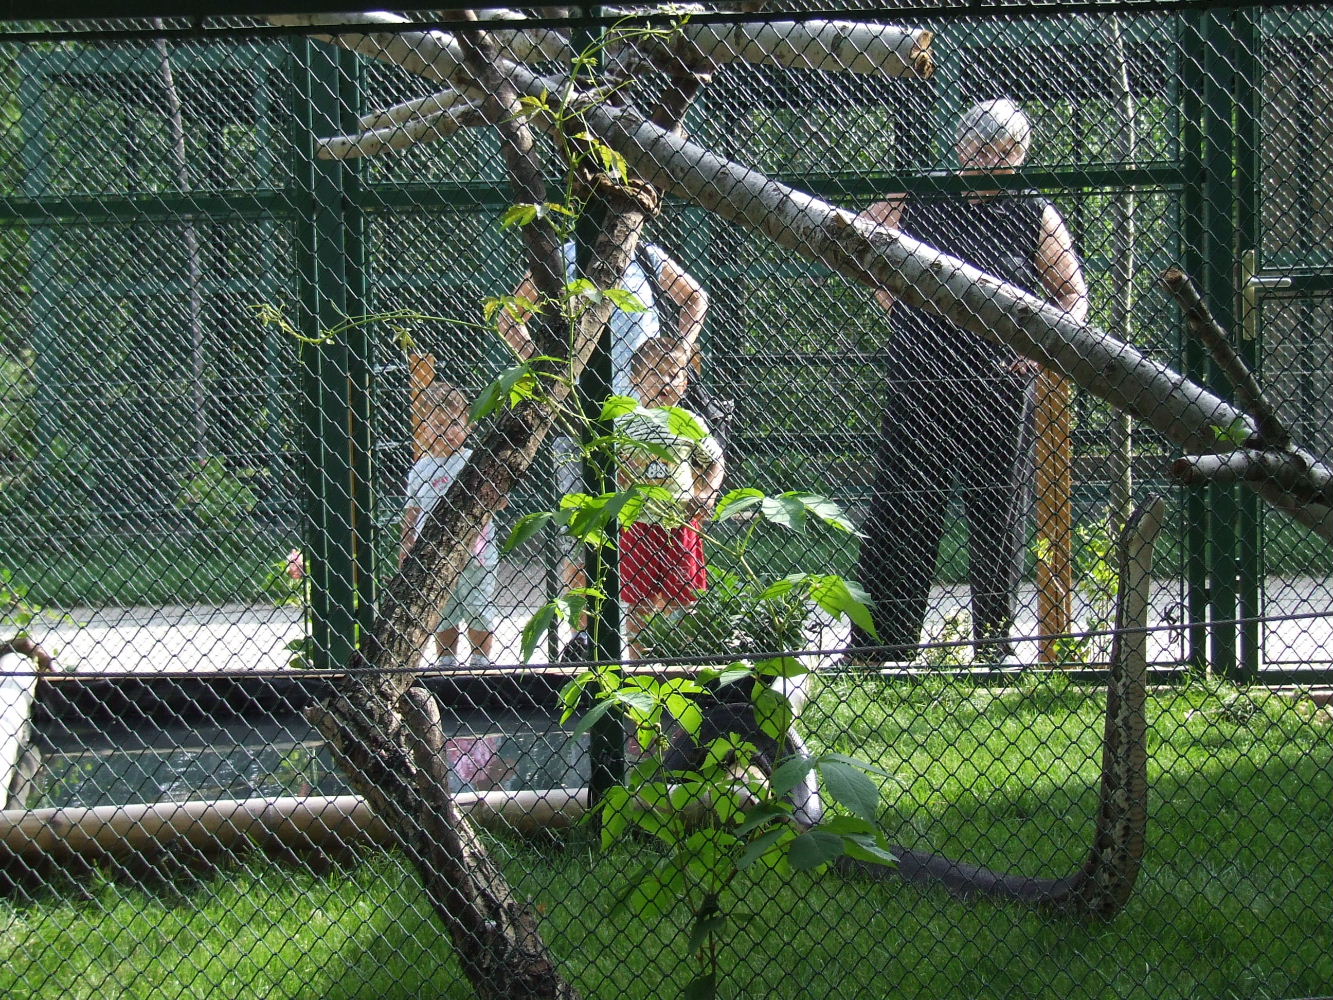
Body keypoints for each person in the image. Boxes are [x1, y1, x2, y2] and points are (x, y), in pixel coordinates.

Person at [850, 98, 1089, 666]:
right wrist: (888, 298)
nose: (991, 161)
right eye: (982, 148)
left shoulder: (1034, 211)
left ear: (1021, 155)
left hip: (1000, 386)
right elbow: (854, 242)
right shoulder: (918, 195)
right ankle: (881, 646)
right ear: (960, 148)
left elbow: (1073, 294)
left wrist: (1042, 354)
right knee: (903, 508)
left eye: (1005, 151)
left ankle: (995, 647)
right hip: (921, 381)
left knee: (998, 513)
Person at [498, 241, 709, 655]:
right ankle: (587, 639)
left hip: (647, 416)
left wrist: (681, 349)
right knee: (583, 533)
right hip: (581, 419)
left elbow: (695, 297)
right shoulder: (563, 254)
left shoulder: (644, 253)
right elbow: (509, 315)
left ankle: (659, 647)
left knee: (657, 532)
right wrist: (547, 367)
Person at [615, 337, 725, 653]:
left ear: (686, 380)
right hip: (638, 527)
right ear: (635, 379)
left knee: (686, 600)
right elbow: (615, 468)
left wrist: (707, 493)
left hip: (681, 524)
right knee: (639, 603)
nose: (666, 380)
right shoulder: (625, 422)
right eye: (655, 372)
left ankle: (684, 658)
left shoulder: (689, 421)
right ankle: (637, 666)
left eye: (674, 373)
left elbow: (714, 461)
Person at [401, 380, 502, 670]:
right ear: (425, 428)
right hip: (433, 556)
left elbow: (497, 497)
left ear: (468, 425)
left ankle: (481, 660)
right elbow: (412, 512)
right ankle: (446, 659)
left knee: (478, 607)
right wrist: (406, 545)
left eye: (453, 424)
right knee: (442, 609)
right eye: (437, 425)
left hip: (476, 554)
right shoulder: (420, 469)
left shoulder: (473, 460)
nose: (445, 432)